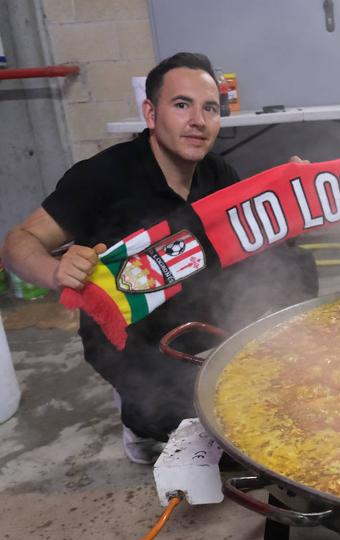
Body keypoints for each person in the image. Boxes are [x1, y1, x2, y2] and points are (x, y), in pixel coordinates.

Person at [0, 52, 317, 464]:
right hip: (131, 333)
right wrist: (57, 270)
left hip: (203, 308)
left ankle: (235, 360)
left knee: (293, 267)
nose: (198, 121)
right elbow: (16, 242)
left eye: (210, 109)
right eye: (182, 105)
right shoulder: (103, 175)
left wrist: (292, 205)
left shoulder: (218, 172)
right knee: (203, 415)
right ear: (151, 113)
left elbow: (256, 241)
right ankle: (138, 420)